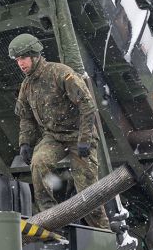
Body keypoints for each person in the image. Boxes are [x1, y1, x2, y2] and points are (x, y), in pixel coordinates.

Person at [9, 33, 109, 229]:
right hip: (53, 137)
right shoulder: (27, 86)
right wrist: (25, 143)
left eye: (23, 58)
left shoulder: (61, 73)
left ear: (35, 56)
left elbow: (87, 106)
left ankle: (103, 233)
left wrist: (85, 139)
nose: (21, 63)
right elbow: (26, 117)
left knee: (87, 192)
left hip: (79, 135)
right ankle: (51, 219)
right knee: (38, 164)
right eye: (17, 60)